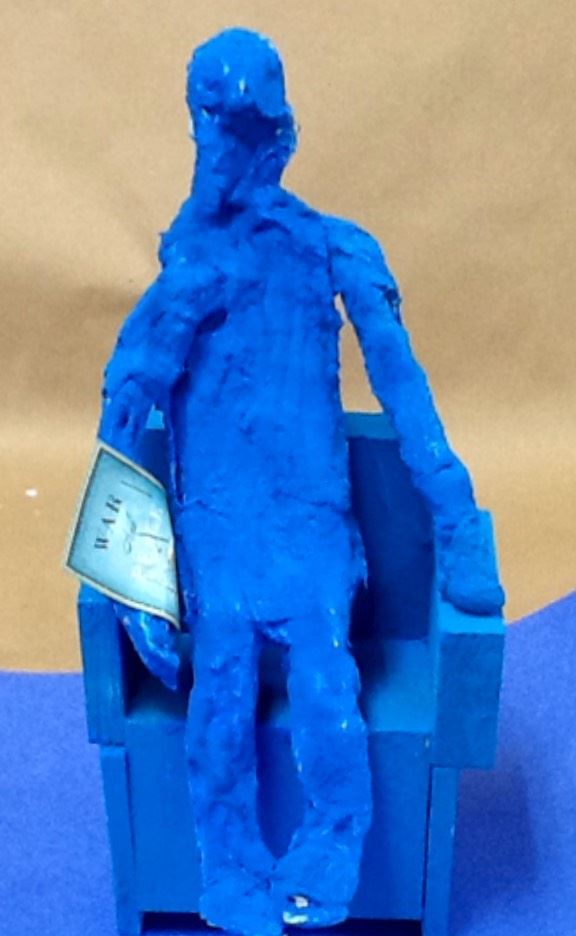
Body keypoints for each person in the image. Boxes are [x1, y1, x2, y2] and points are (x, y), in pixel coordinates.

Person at [99, 28, 504, 936]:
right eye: (219, 126)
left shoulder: (330, 248)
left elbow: (403, 389)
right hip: (219, 524)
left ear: (282, 134)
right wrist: (131, 582)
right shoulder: (191, 270)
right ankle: (230, 865)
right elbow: (125, 403)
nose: (235, 150)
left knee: (326, 678)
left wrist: (456, 516)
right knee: (222, 683)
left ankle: (331, 848)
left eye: (252, 129)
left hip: (309, 519)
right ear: (200, 129)